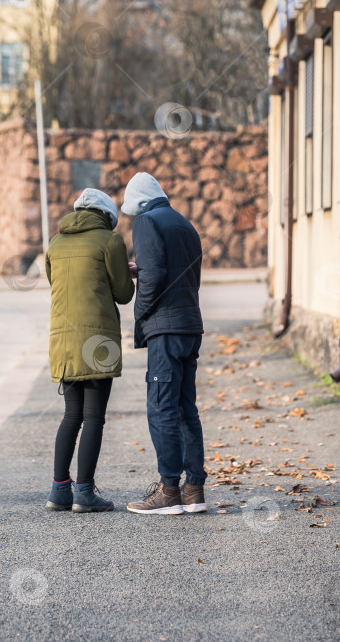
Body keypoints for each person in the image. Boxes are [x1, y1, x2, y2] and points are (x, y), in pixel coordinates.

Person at [121, 172, 207, 515]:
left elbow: (156, 277)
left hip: (165, 330)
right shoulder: (185, 224)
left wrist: (141, 314)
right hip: (190, 326)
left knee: (161, 408)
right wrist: (142, 269)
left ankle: (168, 491)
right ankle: (193, 490)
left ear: (139, 204)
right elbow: (179, 274)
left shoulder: (146, 222)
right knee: (187, 409)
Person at [45, 188, 134, 513]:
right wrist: (129, 272)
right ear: (107, 217)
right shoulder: (110, 242)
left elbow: (55, 281)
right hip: (98, 344)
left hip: (63, 341)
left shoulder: (55, 242)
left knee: (71, 415)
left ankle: (59, 491)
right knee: (94, 416)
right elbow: (123, 293)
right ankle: (84, 492)